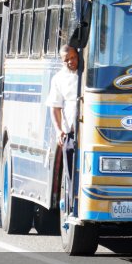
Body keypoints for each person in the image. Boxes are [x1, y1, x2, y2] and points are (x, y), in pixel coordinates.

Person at [46, 44, 79, 205]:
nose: (71, 62)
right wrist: (59, 130)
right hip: (70, 131)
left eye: (73, 57)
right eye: (67, 60)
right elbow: (55, 107)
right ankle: (72, 203)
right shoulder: (59, 78)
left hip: (89, 129)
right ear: (62, 61)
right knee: (70, 170)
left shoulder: (89, 73)